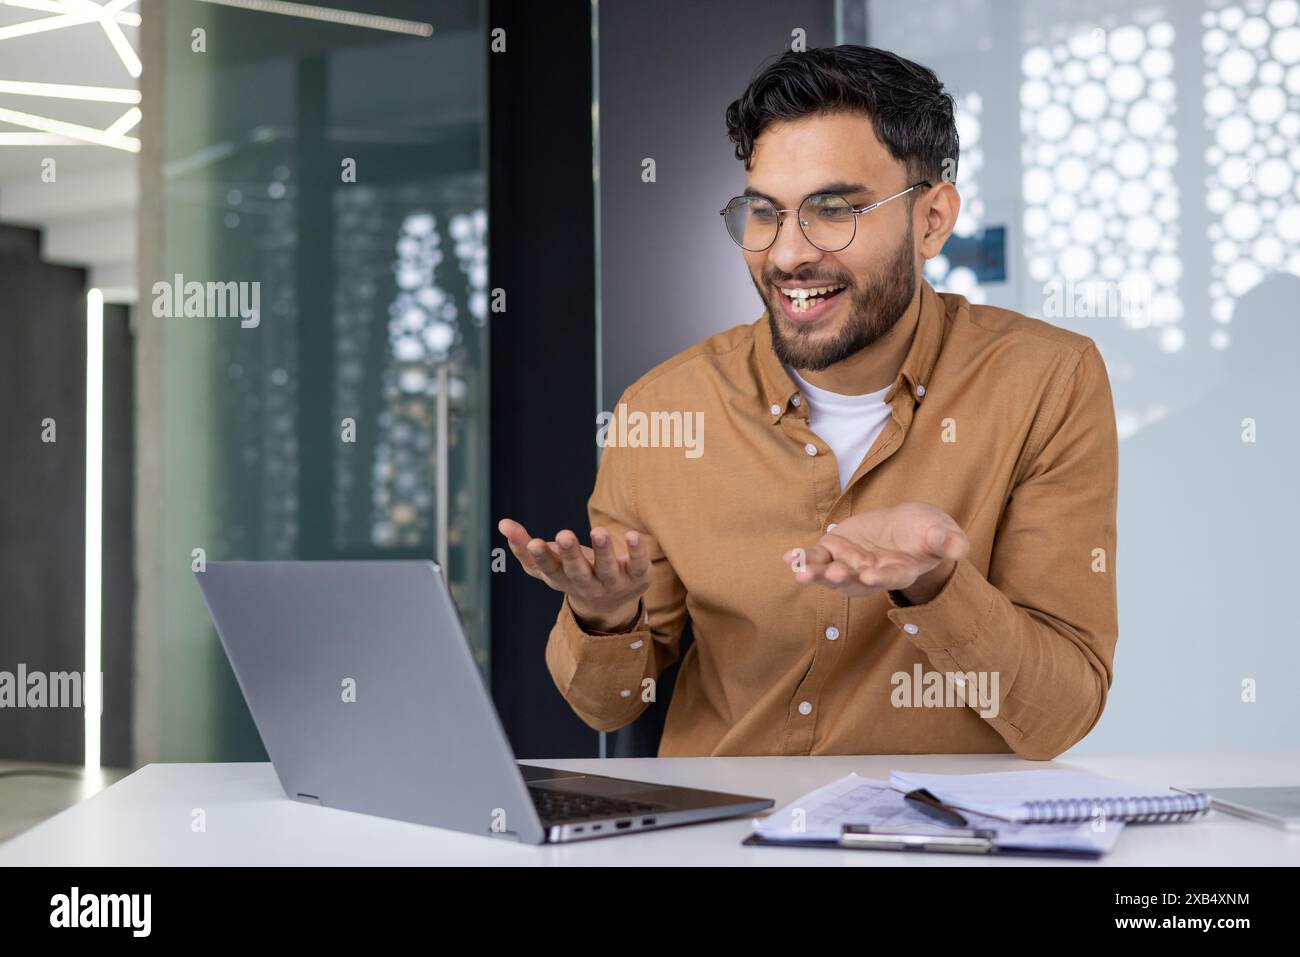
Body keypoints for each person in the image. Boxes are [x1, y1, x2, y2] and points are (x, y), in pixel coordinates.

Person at [499, 45, 1118, 760]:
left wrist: (938, 583)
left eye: (833, 209)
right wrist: (604, 617)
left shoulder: (1047, 380)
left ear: (932, 220)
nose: (788, 254)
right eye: (764, 213)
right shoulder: (664, 409)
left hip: (940, 842)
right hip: (723, 837)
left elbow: (1060, 714)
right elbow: (607, 708)